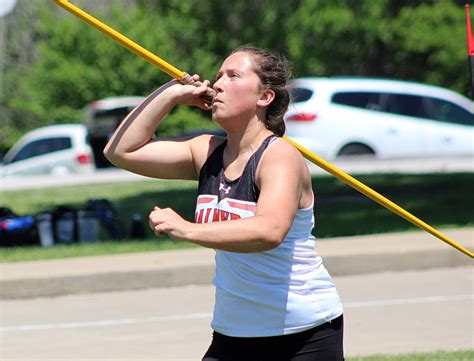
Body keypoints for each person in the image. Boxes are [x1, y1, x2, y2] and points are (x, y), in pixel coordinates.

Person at [104, 45, 344, 361]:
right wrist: (171, 95)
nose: (218, 84)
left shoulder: (279, 157)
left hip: (302, 334)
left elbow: (270, 230)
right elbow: (121, 151)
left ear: (264, 97)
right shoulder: (206, 152)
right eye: (218, 76)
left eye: (233, 76)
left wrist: (187, 230)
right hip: (234, 332)